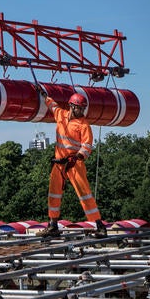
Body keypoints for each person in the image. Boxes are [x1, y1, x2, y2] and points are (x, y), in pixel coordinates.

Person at [36, 86, 107, 238]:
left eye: (83, 109)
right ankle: (53, 225)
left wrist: (79, 156)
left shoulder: (84, 125)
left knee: (85, 194)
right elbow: (53, 105)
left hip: (74, 163)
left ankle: (100, 226)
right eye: (80, 108)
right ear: (72, 106)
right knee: (53, 194)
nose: (82, 111)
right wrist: (44, 96)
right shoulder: (61, 115)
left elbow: (87, 145)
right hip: (59, 163)